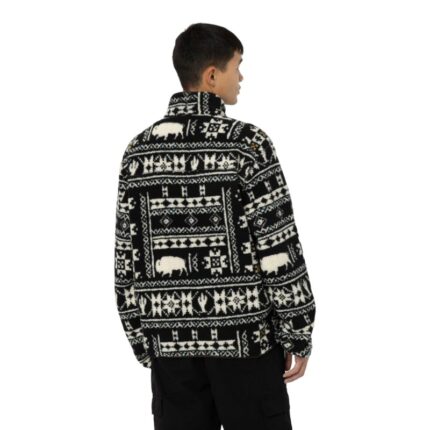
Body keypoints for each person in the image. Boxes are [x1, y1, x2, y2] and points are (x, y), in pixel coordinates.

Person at [114, 22, 317, 430]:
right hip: (247, 345)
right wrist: (298, 330)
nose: (241, 77)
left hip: (171, 349)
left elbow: (126, 259)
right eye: (236, 66)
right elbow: (278, 246)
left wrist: (141, 338)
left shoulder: (138, 153)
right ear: (211, 76)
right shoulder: (247, 145)